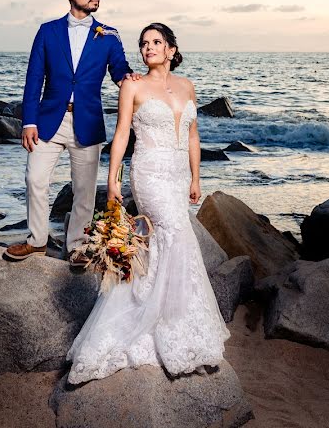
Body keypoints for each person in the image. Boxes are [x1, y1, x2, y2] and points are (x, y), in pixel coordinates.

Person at [66, 23, 229, 384]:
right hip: (149, 172)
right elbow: (122, 131)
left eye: (156, 42)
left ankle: (170, 315)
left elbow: (192, 135)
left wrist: (196, 177)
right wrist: (112, 180)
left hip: (176, 175)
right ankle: (159, 324)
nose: (148, 48)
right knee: (172, 231)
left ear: (171, 50)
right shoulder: (132, 85)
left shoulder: (187, 87)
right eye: (144, 44)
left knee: (166, 240)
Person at [4, 0, 138, 266]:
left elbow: (120, 72)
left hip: (87, 122)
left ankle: (76, 245)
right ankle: (37, 241)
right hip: (49, 119)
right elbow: (34, 78)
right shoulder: (47, 31)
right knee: (35, 179)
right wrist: (29, 120)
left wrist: (137, 81)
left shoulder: (109, 35)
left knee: (84, 190)